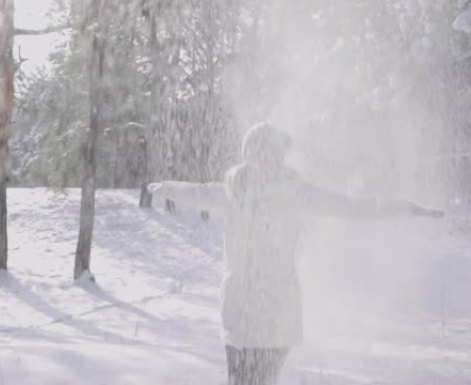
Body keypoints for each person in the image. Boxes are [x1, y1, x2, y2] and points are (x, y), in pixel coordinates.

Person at [148, 122, 442, 385]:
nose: (262, 157)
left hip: (277, 312)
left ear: (279, 156)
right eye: (255, 149)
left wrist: (404, 208)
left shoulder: (295, 192)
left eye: (269, 151)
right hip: (238, 313)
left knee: (262, 380)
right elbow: (193, 192)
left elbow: (349, 207)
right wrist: (162, 189)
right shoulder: (231, 192)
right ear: (246, 154)